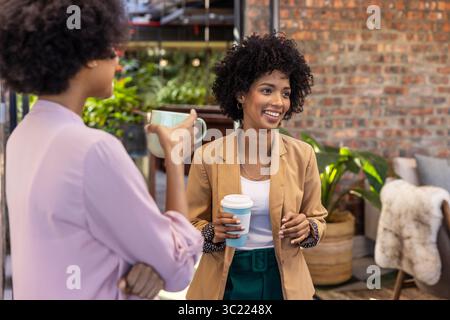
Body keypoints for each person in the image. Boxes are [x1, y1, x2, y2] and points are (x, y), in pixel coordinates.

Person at [0, 0, 202, 299]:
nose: (117, 62)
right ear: (91, 54)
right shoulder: (92, 151)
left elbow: (75, 241)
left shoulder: (22, 136)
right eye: (113, 49)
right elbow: (177, 268)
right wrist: (173, 158)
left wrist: (132, 263)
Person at [186, 33, 328, 300]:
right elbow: (187, 226)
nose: (279, 102)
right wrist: (211, 231)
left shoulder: (303, 155)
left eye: (285, 93)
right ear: (241, 94)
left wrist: (307, 228)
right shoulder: (208, 157)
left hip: (284, 280)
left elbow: (318, 219)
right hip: (225, 281)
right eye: (267, 90)